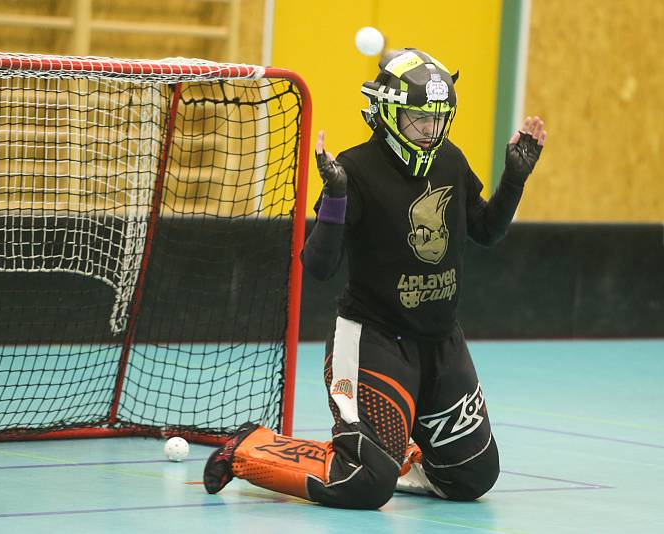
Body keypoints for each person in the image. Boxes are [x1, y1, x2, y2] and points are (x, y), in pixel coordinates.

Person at [204, 48, 546, 509]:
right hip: (374, 342)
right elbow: (319, 267)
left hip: (441, 344)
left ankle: (395, 455)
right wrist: (337, 197)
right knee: (363, 483)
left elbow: (485, 231)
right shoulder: (357, 168)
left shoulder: (450, 159)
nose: (430, 131)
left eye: (439, 120)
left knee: (472, 477)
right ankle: (251, 447)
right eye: (419, 120)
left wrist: (515, 180)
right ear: (387, 113)